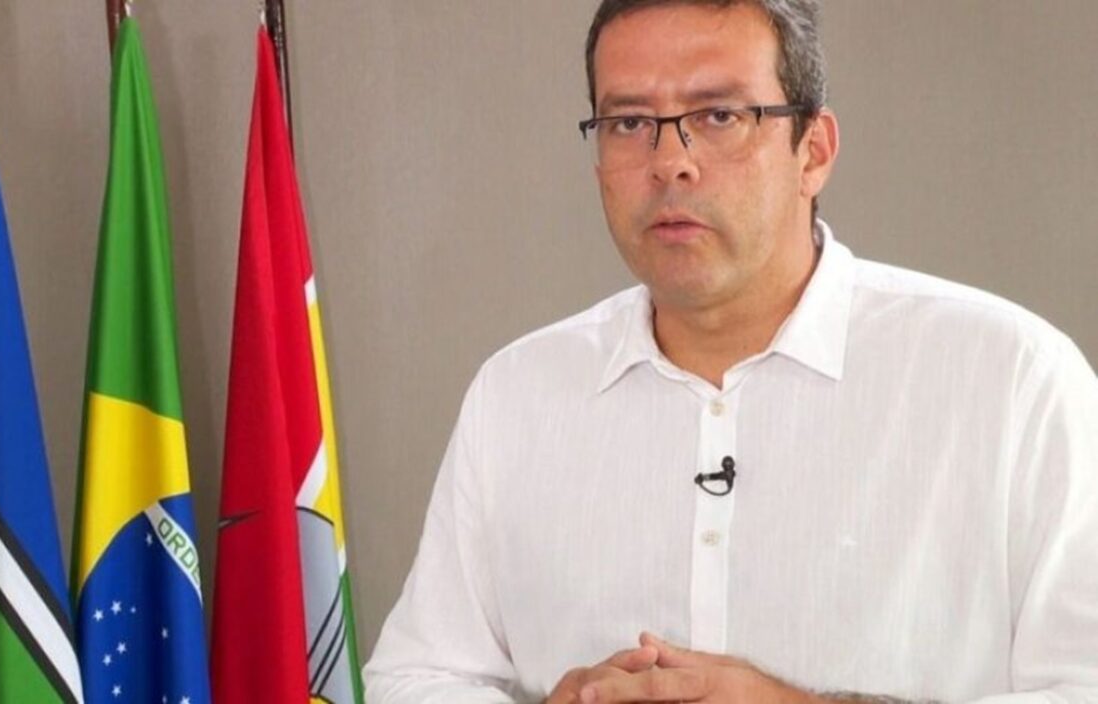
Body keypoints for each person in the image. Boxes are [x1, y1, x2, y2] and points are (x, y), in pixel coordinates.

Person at [363, 1, 1098, 702]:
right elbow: (413, 676)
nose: (669, 163)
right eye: (628, 122)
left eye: (719, 116)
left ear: (813, 151)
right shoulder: (519, 393)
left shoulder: (1013, 381)